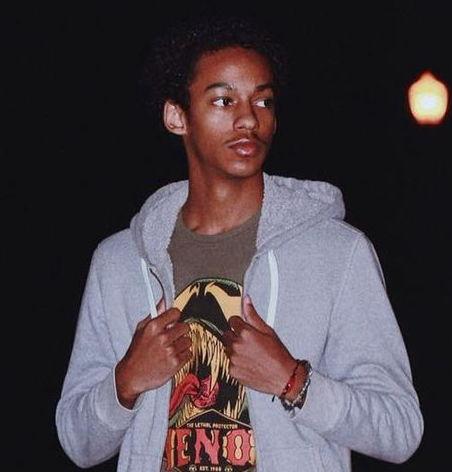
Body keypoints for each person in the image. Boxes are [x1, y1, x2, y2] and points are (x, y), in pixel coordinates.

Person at [55, 15, 423, 472]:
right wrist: (126, 382)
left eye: (263, 100)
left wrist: (293, 381)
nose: (249, 118)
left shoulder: (338, 253)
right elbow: (77, 442)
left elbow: (399, 430)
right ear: (177, 116)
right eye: (223, 100)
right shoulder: (120, 262)